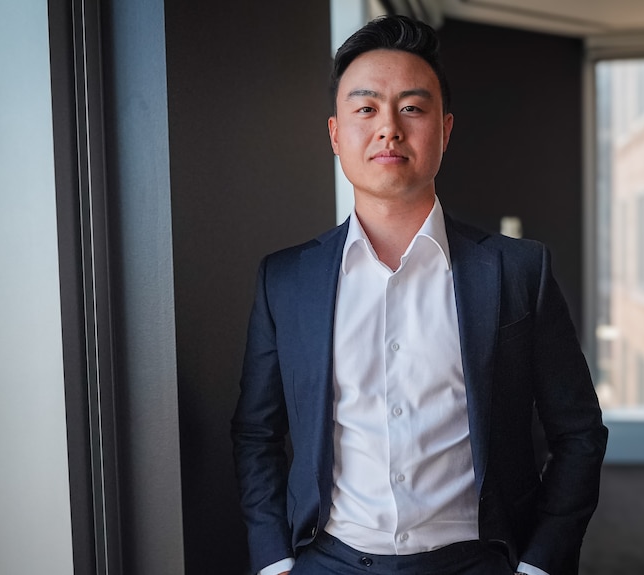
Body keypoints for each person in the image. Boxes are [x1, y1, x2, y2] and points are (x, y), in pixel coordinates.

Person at [231, 14, 607, 575]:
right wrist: (274, 561)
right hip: (329, 561)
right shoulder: (285, 280)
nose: (389, 128)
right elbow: (256, 432)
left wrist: (539, 564)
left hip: (479, 562)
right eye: (365, 109)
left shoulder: (517, 270)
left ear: (445, 129)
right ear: (336, 134)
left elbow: (578, 432)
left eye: (412, 107)